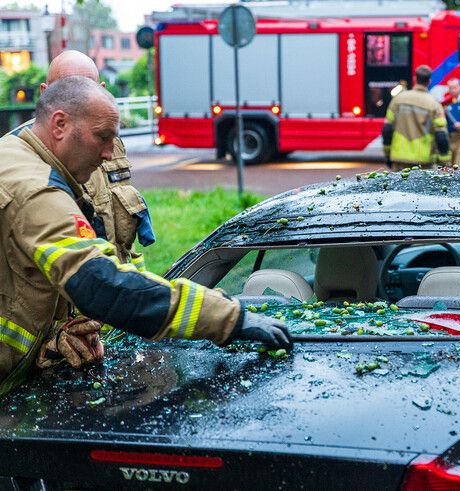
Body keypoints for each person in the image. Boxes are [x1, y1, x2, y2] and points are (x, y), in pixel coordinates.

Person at [0, 77, 291, 396]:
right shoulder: (35, 192)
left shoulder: (16, 150)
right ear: (59, 124)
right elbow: (102, 285)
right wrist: (230, 318)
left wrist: (52, 337)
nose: (109, 154)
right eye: (102, 137)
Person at [7, 51, 156, 372]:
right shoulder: (19, 168)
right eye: (67, 89)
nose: (80, 104)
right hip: (44, 353)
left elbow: (116, 239)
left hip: (113, 328)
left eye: (87, 90)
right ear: (49, 98)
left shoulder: (108, 144)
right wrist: (53, 332)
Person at [382, 65, 450, 171]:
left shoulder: (398, 100)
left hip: (399, 159)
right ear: (429, 81)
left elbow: (387, 130)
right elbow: (441, 136)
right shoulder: (435, 105)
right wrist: (444, 161)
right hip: (423, 162)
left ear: (415, 79)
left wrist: (388, 154)